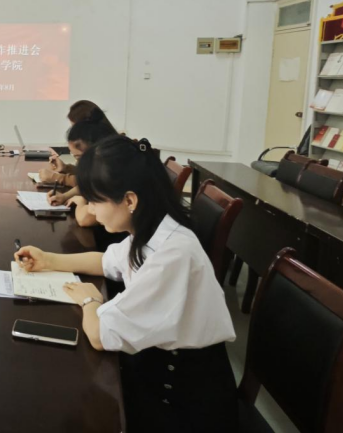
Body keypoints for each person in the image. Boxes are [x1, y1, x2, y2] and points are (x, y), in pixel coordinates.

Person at [15, 136, 237, 433]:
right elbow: (106, 261)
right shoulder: (153, 229)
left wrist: (90, 301)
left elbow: (99, 335)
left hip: (181, 401)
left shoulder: (172, 254)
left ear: (130, 200)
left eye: (95, 201)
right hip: (157, 367)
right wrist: (48, 260)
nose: (91, 210)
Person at [44, 120, 117, 225]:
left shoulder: (110, 171)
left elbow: (84, 219)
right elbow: (88, 184)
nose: (78, 163)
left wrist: (81, 202)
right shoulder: (102, 164)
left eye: (78, 157)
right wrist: (65, 196)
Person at [40, 100, 117, 185]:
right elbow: (89, 173)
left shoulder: (108, 149)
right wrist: (66, 168)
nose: (74, 133)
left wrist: (58, 178)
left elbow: (93, 182)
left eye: (75, 127)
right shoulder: (100, 142)